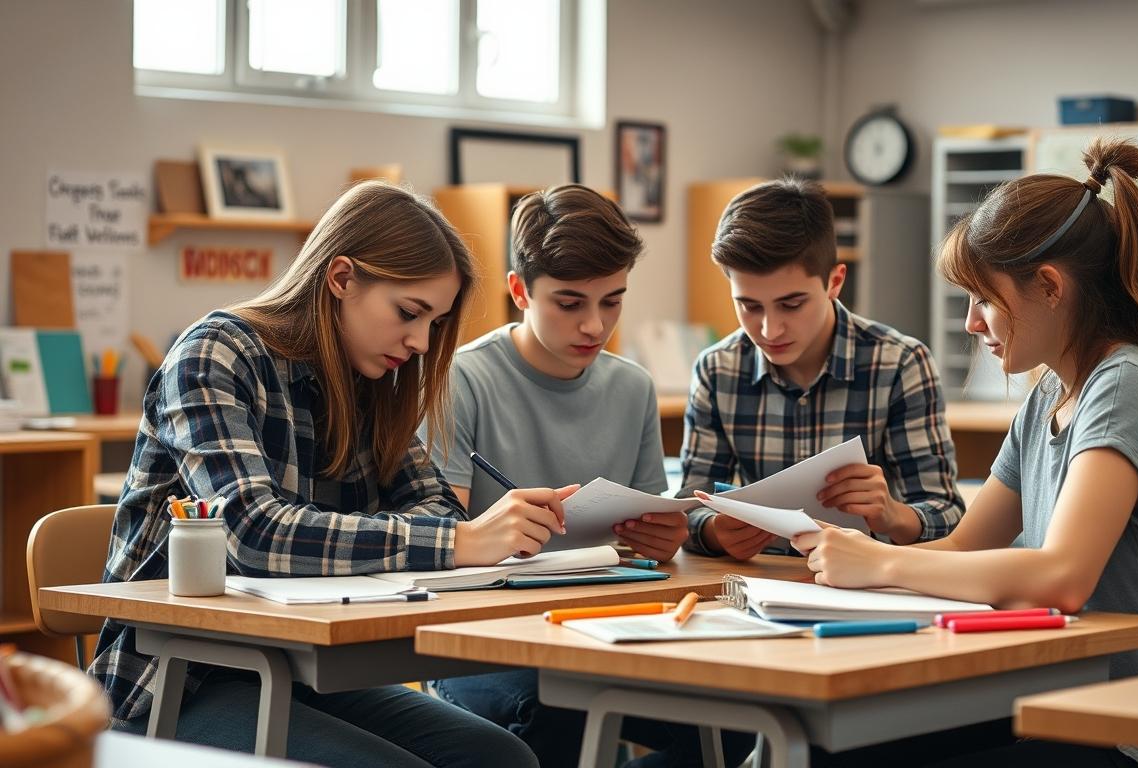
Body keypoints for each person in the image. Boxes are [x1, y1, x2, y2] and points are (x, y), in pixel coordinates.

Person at [91, 181, 575, 768]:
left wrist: (448, 535)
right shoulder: (213, 354)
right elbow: (251, 532)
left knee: (499, 756)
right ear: (342, 278)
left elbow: (437, 508)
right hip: (179, 676)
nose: (421, 343)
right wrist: (458, 541)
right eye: (409, 313)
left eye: (435, 322)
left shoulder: (370, 380)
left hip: (301, 662)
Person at [793, 138, 1138, 768]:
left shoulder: (1125, 384)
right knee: (834, 749)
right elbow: (965, 548)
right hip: (1064, 704)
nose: (972, 323)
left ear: (1049, 287)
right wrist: (867, 561)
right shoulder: (1053, 390)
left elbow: (1062, 577)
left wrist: (883, 566)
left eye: (982, 299)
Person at [427, 185, 734, 768]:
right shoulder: (461, 379)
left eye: (613, 301)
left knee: (733, 718)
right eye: (569, 303)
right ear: (519, 291)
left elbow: (652, 535)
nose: (595, 325)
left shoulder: (633, 387)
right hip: (484, 637)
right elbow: (438, 532)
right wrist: (492, 529)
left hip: (603, 625)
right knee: (555, 711)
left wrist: (663, 542)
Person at [679, 177, 963, 560]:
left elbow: (947, 515)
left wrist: (892, 515)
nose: (769, 329)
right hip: (759, 588)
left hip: (866, 584)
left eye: (791, 304)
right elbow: (689, 507)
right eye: (749, 306)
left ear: (835, 282)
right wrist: (715, 532)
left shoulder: (900, 363)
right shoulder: (717, 370)